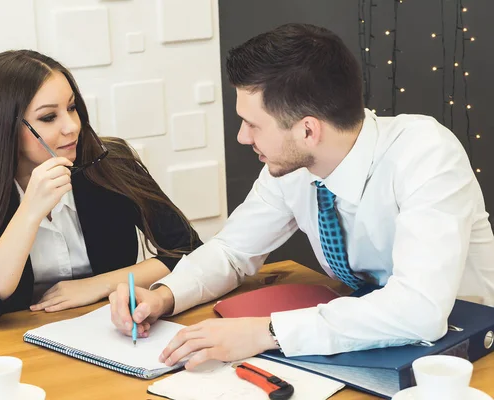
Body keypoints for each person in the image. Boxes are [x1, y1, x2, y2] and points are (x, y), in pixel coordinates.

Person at [109, 23, 494, 370]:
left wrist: (268, 331)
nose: (243, 137)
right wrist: (163, 296)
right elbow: (232, 251)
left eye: (252, 124)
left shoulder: (426, 154)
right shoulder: (292, 168)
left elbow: (419, 310)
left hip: (464, 351)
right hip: (362, 342)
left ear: (308, 130)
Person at [0, 50, 202, 326]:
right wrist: (30, 213)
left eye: (71, 108)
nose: (72, 127)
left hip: (112, 328)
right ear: (4, 127)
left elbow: (188, 250)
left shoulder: (110, 163)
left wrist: (98, 285)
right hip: (19, 344)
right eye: (48, 117)